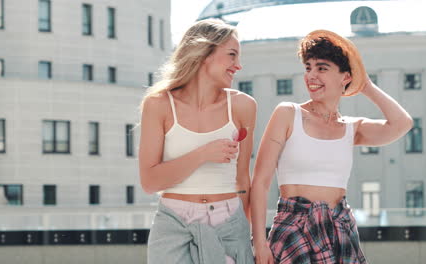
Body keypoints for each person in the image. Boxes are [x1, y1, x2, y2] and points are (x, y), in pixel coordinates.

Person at [251, 29, 413, 264]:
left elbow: (402, 123)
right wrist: (259, 242)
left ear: (345, 77)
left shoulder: (351, 128)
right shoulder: (288, 114)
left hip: (340, 230)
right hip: (293, 229)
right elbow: (260, 182)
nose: (311, 76)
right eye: (308, 67)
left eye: (322, 68)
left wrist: (365, 84)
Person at [139, 19, 256, 264]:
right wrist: (203, 154)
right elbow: (150, 182)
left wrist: (246, 231)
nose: (238, 66)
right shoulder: (158, 104)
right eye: (232, 55)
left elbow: (243, 178)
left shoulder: (244, 106)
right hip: (173, 226)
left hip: (230, 224)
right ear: (204, 54)